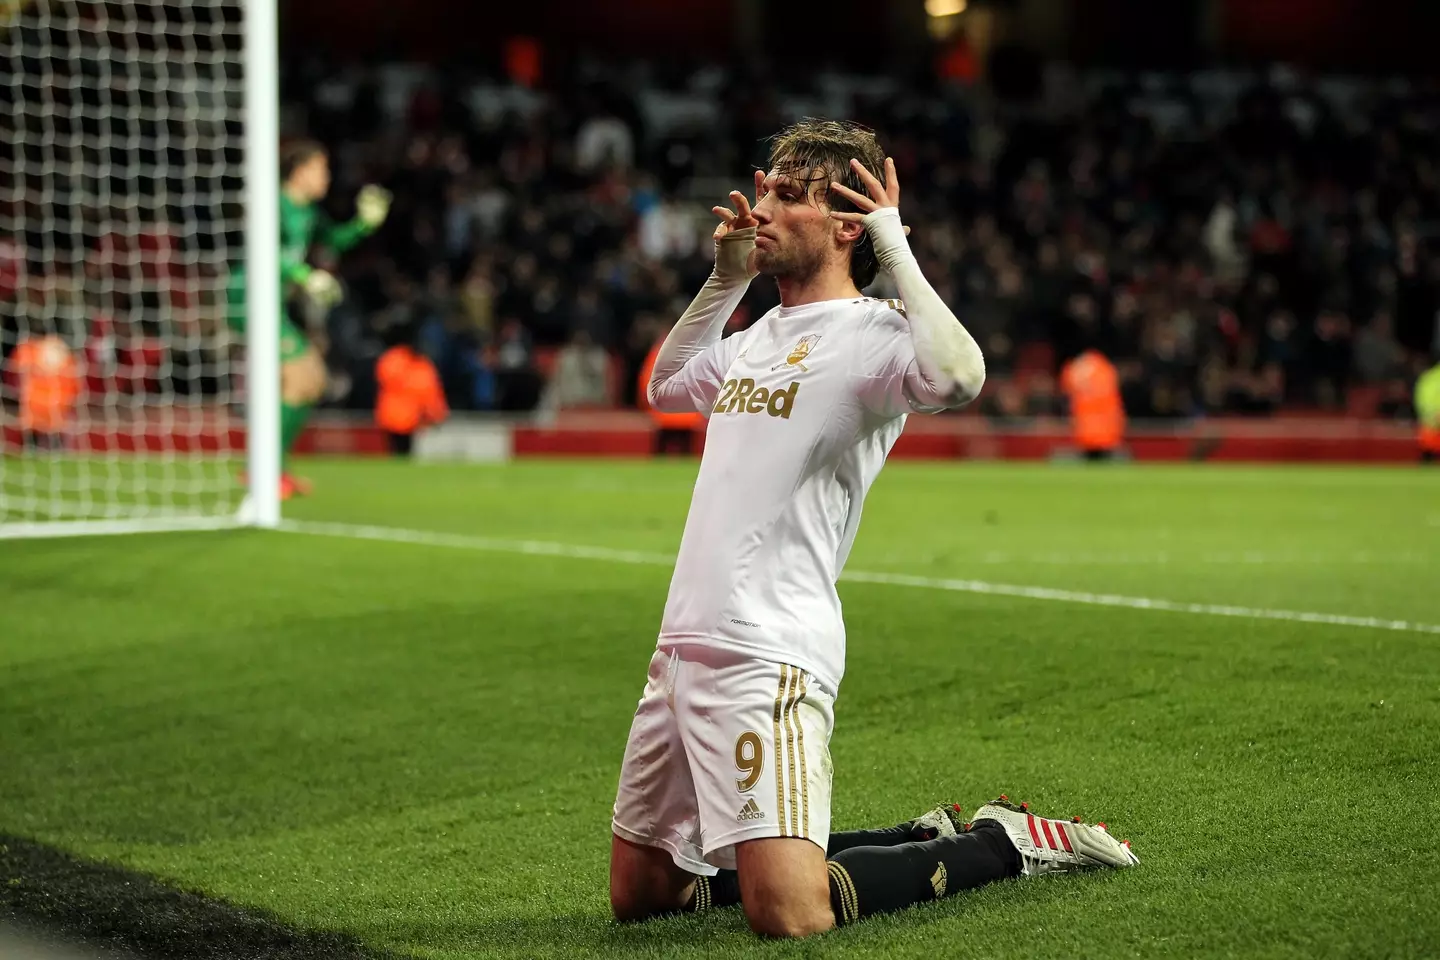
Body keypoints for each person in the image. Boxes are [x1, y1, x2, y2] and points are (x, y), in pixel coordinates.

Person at [609, 119, 1138, 939]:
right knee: (645, 895)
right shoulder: (752, 340)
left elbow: (960, 375)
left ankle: (1004, 843)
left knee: (789, 914)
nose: (762, 208)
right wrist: (724, 281)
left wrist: (895, 248)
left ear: (847, 224)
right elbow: (667, 386)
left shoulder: (875, 337)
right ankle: (910, 840)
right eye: (766, 188)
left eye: (788, 196)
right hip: (681, 648)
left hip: (770, 650)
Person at [226, 140, 391, 498]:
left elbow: (333, 241)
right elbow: (263, 248)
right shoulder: (274, 204)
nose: (326, 177)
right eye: (320, 169)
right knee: (301, 376)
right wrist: (303, 275)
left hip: (274, 303)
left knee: (312, 381)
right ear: (299, 172)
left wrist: (364, 224)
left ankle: (273, 469)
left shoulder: (310, 214)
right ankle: (263, 470)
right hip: (249, 296)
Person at [374, 323, 449, 458]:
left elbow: (429, 391)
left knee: (400, 451)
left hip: (400, 417)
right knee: (401, 450)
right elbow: (428, 391)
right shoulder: (417, 365)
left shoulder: (395, 360)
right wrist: (437, 413)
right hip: (402, 417)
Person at [10, 328, 79, 451]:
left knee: (38, 438)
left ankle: (36, 450)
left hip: (40, 405)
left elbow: (15, 378)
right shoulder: (29, 350)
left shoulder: (27, 350)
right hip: (53, 405)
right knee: (49, 437)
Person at [637, 329, 704, 455]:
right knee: (686, 451)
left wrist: (646, 404)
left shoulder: (659, 352)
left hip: (664, 413)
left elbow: (647, 380)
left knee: (661, 449)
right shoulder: (696, 350)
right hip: (688, 413)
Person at [1060, 347, 1126, 460]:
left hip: (1090, 428)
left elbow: (1067, 389)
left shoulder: (1077, 369)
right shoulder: (1106, 370)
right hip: (1100, 429)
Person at [1416, 357, 1440, 464]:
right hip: (1432, 428)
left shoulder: (1428, 377)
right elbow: (1423, 402)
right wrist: (1434, 415)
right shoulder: (1430, 378)